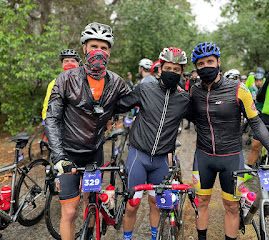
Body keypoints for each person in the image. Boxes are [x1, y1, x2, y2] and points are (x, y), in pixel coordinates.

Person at [189, 42, 269, 240]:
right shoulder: (194, 90)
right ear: (196, 67)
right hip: (203, 157)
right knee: (201, 202)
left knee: (232, 207)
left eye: (210, 61)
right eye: (201, 64)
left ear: (218, 62)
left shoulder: (238, 88)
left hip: (231, 158)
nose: (206, 66)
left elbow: (257, 123)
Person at [45, 22, 131, 240]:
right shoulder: (66, 79)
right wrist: (58, 157)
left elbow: (136, 101)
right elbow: (52, 118)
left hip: (95, 151)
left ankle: (90, 233)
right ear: (84, 48)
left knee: (90, 203)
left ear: (110, 51)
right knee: (70, 211)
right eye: (94, 46)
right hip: (68, 154)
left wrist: (166, 88)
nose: (98, 52)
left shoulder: (117, 82)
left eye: (104, 48)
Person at [116, 46, 189, 240]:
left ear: (182, 72)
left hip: (161, 160)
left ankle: (155, 236)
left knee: (156, 204)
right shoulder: (145, 88)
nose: (172, 73)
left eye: (176, 70)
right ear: (160, 68)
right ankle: (127, 238)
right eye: (168, 68)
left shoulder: (183, 99)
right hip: (138, 156)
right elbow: (121, 104)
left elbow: (204, 117)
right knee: (132, 205)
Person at [42, 49, 81, 120]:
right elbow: (47, 105)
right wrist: (46, 121)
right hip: (61, 123)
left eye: (73, 61)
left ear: (78, 64)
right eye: (66, 61)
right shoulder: (54, 83)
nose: (69, 64)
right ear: (62, 64)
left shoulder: (84, 80)